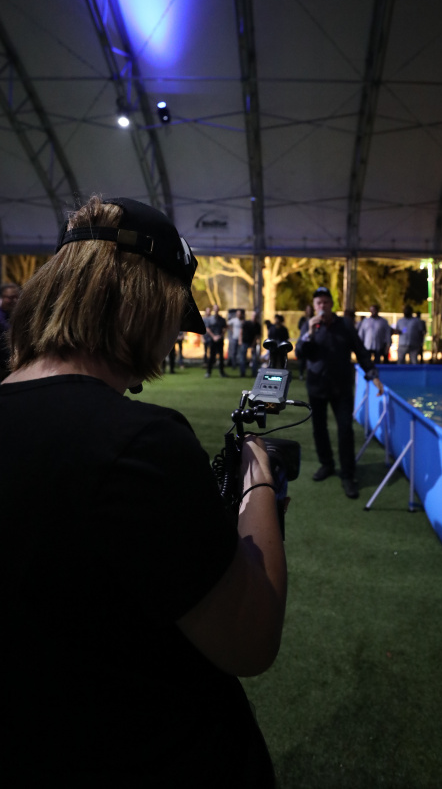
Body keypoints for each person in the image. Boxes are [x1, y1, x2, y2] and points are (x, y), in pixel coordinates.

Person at [0, 196, 286, 786]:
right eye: (175, 318)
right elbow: (252, 640)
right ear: (147, 304)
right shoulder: (139, 442)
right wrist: (257, 478)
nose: (172, 340)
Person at [295, 286, 383, 499]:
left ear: (331, 304)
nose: (322, 306)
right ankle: (326, 464)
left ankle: (348, 474)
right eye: (318, 303)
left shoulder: (345, 325)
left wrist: (372, 373)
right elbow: (300, 353)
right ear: (314, 306)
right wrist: (310, 333)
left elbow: (360, 350)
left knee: (345, 430)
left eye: (325, 302)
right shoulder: (308, 325)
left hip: (341, 387)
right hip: (316, 386)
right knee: (319, 428)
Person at [0, 282, 21, 380]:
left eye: (17, 297)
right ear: (2, 298)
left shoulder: (17, 313)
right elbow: (8, 329)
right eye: (11, 298)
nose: (15, 300)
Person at [205, 303, 228, 377]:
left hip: (220, 340)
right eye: (215, 309)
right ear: (213, 309)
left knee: (221, 357)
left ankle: (222, 372)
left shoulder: (222, 320)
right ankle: (208, 372)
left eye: (217, 309)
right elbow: (208, 329)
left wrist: (220, 336)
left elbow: (225, 328)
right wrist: (214, 336)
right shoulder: (210, 319)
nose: (216, 310)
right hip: (212, 340)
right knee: (211, 356)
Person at [240, 311, 262, 378]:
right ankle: (243, 373)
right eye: (253, 316)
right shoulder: (246, 323)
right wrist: (240, 340)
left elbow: (257, 336)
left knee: (254, 358)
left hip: (253, 343)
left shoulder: (258, 326)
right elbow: (241, 331)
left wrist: (253, 345)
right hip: (245, 342)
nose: (254, 317)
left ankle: (254, 373)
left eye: (255, 316)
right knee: (242, 358)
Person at [297, 305, 313, 379]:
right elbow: (299, 327)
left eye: (310, 309)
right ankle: (301, 374)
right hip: (304, 341)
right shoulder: (303, 319)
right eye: (308, 309)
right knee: (302, 359)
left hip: (311, 341)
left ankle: (310, 374)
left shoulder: (314, 318)